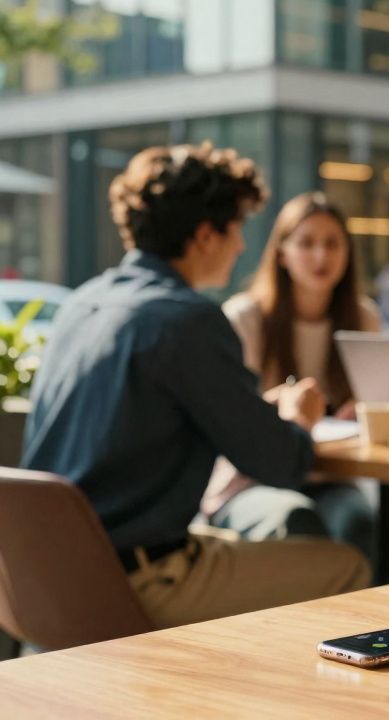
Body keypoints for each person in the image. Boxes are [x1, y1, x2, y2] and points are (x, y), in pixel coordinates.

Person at [21, 143, 369, 628]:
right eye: (237, 229)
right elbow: (283, 462)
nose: (244, 247)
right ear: (206, 235)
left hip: (36, 581)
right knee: (348, 566)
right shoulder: (188, 321)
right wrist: (296, 417)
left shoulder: (83, 305)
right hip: (135, 579)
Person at [202, 191, 380, 569]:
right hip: (249, 483)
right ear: (281, 252)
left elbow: (377, 405)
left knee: (361, 522)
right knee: (298, 521)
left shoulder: (363, 318)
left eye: (332, 244)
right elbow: (229, 422)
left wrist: (361, 415)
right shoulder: (244, 318)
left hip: (332, 478)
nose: (321, 256)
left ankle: (377, 629)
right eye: (306, 243)